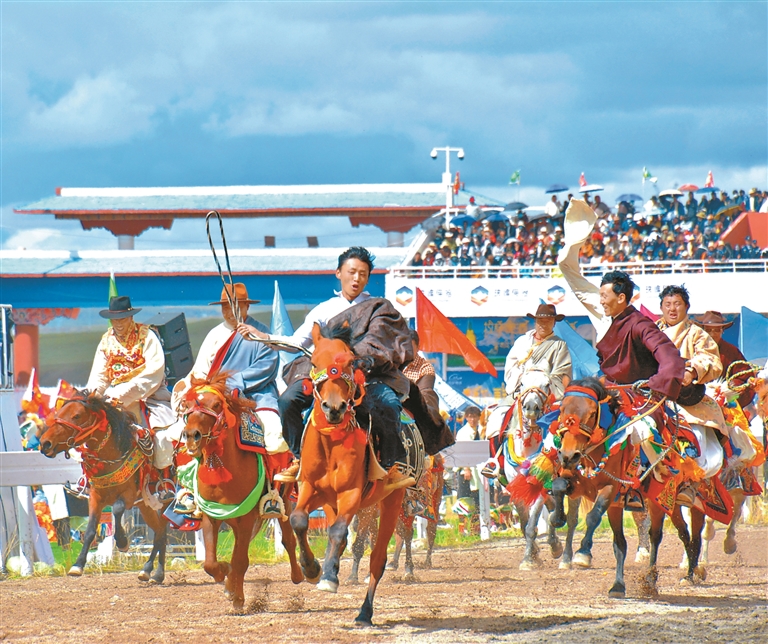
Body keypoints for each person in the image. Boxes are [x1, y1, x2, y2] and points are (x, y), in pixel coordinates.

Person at [241, 247, 415, 488]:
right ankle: (299, 459)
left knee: (388, 404)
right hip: (324, 377)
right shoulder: (323, 309)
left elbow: (382, 345)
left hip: (365, 376)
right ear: (338, 273)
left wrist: (358, 359)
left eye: (363, 274)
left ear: (368, 278)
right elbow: (297, 343)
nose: (356, 279)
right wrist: (263, 337)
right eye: (351, 272)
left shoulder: (378, 308)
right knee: (287, 401)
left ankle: (391, 466)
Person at [171, 283, 289, 457]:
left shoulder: (261, 332)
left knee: (274, 435)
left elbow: (266, 367)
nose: (230, 312)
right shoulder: (214, 335)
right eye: (226, 307)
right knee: (177, 433)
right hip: (216, 397)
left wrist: (229, 383)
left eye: (236, 306)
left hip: (257, 395)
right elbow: (201, 371)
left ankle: (276, 473)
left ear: (247, 306)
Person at [87, 296, 175, 492]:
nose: (118, 324)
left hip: (149, 396)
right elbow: (99, 377)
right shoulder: (106, 341)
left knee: (162, 437)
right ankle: (90, 481)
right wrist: (91, 397)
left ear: (131, 317)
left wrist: (122, 394)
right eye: (114, 320)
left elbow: (153, 373)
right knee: (90, 433)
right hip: (113, 399)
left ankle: (165, 481)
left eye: (122, 319)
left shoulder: (147, 336)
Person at [656, 286, 728, 505]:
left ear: (686, 307)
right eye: (668, 304)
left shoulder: (697, 333)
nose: (672, 309)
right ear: (661, 308)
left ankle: (691, 482)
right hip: (654, 397)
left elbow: (710, 359)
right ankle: (631, 485)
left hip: (686, 398)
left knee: (695, 433)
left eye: (677, 304)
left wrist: (692, 371)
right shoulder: (651, 331)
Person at [503, 304, 572, 402]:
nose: (544, 325)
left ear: (554, 323)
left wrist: (540, 380)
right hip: (520, 392)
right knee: (501, 410)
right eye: (540, 321)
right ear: (535, 322)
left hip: (546, 394)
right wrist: (523, 377)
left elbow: (562, 373)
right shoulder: (522, 341)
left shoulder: (559, 344)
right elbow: (511, 367)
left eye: (548, 321)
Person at [695, 310, 754, 411]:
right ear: (703, 331)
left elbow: (746, 378)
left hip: (725, 404)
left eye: (717, 330)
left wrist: (729, 387)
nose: (712, 334)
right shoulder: (694, 349)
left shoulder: (732, 352)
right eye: (709, 330)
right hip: (696, 401)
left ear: (722, 330)